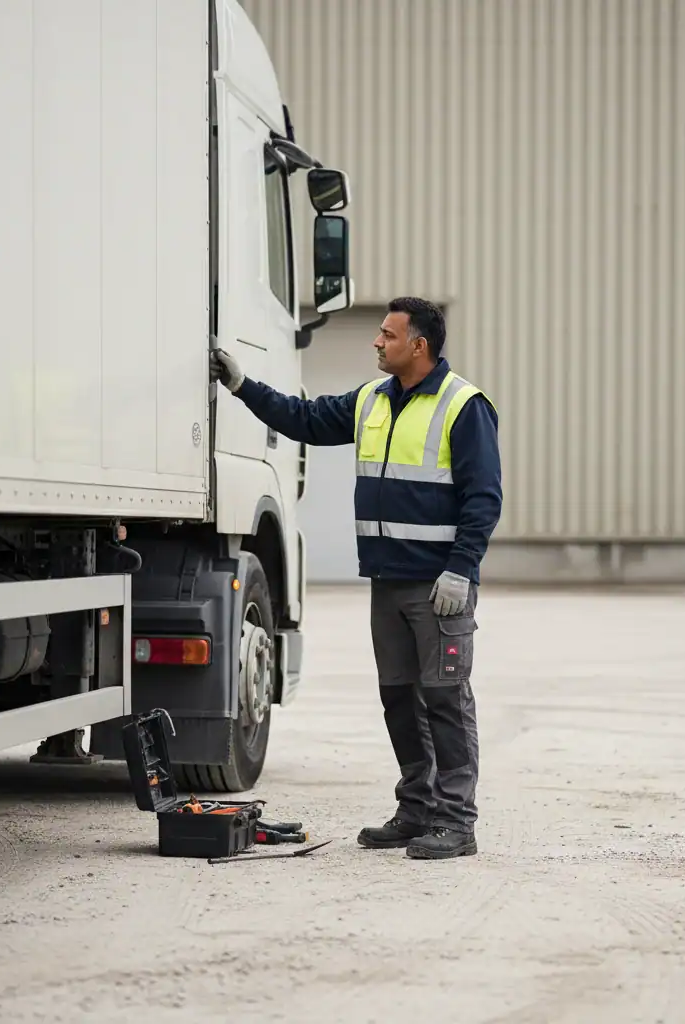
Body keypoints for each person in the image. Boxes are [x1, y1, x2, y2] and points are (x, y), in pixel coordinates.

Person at [210, 297, 502, 860]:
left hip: (439, 585)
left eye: (387, 335)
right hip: (387, 580)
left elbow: (483, 498)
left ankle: (456, 821)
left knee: (445, 700)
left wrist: (461, 570)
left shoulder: (463, 406)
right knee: (398, 699)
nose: (376, 342)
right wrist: (243, 384)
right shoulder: (371, 399)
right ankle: (417, 809)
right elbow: (305, 419)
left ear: (418, 345)